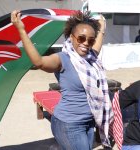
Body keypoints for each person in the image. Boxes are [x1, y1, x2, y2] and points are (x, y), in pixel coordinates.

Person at [11, 10, 113, 149]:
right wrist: (21, 30)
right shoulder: (63, 59)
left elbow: (98, 40)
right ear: (71, 37)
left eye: (90, 40)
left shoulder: (91, 57)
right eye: (81, 38)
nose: (86, 43)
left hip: (89, 122)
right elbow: (39, 62)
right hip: (69, 124)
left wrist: (101, 27)